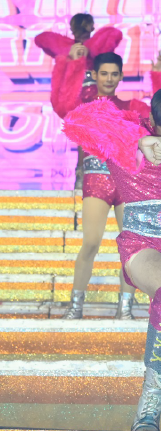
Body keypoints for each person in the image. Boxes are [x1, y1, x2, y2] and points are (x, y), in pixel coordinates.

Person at [62, 96, 161, 430]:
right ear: (154, 123)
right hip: (143, 246)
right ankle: (150, 404)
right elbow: (75, 122)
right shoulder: (127, 141)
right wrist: (137, 140)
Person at [52, 47, 158, 319]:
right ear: (94, 75)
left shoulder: (131, 109)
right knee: (90, 243)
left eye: (114, 74)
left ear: (121, 76)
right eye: (104, 74)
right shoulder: (84, 109)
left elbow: (157, 115)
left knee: (134, 247)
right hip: (97, 180)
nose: (109, 79)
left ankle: (125, 309)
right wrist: (71, 63)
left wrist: (157, 75)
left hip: (128, 185)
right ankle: (75, 307)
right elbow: (65, 111)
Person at [34, 13, 122, 67]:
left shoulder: (63, 47)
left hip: (70, 89)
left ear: (71, 28)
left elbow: (41, 38)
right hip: (96, 88)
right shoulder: (99, 46)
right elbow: (114, 33)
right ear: (91, 28)